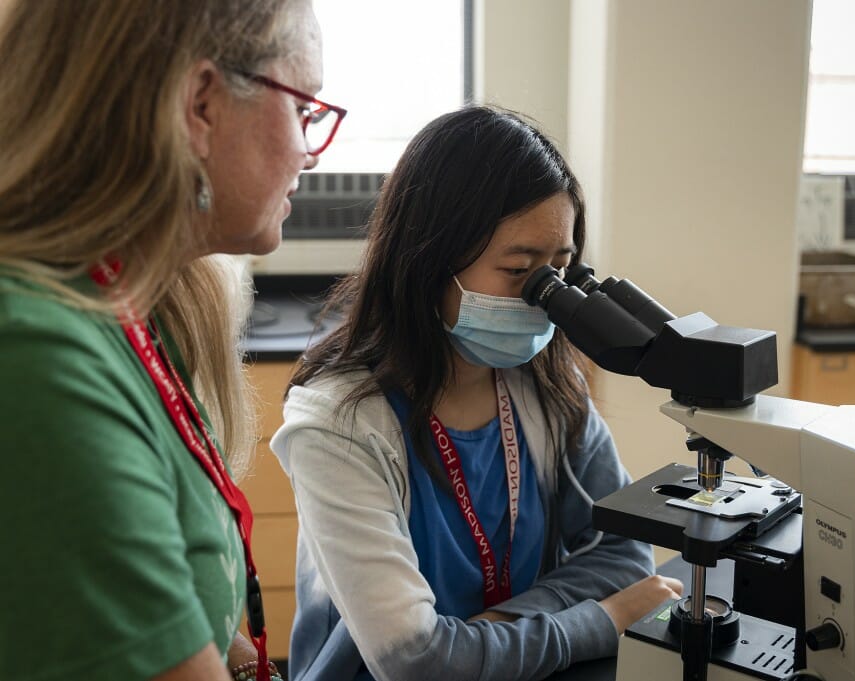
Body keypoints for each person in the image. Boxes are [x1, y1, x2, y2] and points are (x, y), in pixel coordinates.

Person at [271, 105, 684, 681]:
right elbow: (414, 660)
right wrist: (599, 620)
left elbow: (625, 553)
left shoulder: (549, 387)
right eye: (519, 271)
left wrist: (495, 631)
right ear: (430, 261)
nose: (544, 295)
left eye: (558, 270)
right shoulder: (338, 426)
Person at [0, 1, 345, 679]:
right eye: (304, 107)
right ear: (201, 106)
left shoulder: (146, 308)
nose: (309, 149)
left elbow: (194, 612)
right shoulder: (38, 361)